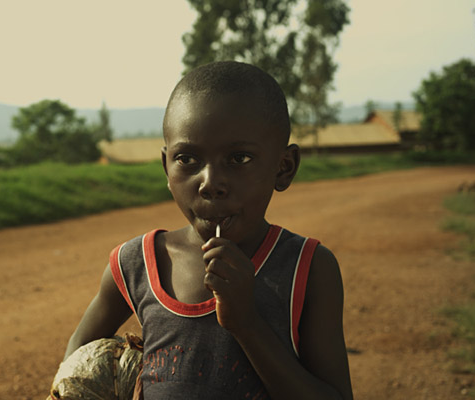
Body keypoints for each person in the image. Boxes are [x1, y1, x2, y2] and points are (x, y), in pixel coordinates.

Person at [62, 61, 353, 399]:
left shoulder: (308, 267)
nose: (210, 183)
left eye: (239, 158)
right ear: (165, 167)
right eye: (187, 159)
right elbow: (75, 364)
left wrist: (247, 324)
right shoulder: (136, 264)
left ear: (283, 168)